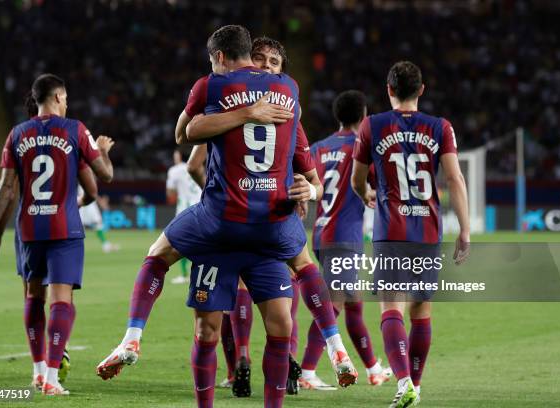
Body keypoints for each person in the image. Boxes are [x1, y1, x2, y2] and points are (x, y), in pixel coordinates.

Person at [184, 36, 357, 395]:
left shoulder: (286, 115)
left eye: (273, 62)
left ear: (281, 73)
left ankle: (268, 363)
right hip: (241, 220)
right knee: (238, 298)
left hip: (269, 219)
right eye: (259, 58)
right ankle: (245, 363)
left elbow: (315, 184)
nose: (264, 65)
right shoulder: (227, 108)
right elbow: (193, 160)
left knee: (276, 306)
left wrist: (307, 191)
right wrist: (220, 193)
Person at [0, 73, 114, 396]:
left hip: (28, 229)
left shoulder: (17, 134)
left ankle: (39, 372)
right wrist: (103, 150)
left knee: (33, 297)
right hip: (63, 228)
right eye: (65, 98)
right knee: (61, 302)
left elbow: (6, 188)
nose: (67, 104)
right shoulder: (75, 130)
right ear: (56, 97)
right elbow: (104, 176)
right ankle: (53, 378)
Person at [351, 61, 470, 407]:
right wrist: (464, 230)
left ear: (388, 89)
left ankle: (404, 384)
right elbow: (455, 179)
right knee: (421, 310)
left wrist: (366, 194)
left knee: (392, 308)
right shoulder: (440, 127)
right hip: (428, 230)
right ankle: (414, 384)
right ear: (421, 89)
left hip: (391, 230)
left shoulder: (371, 126)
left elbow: (357, 178)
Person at [299, 90, 392, 391]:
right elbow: (380, 185)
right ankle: (307, 371)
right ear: (364, 116)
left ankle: (374, 369)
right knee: (334, 306)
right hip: (344, 235)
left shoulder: (319, 147)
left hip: (320, 232)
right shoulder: (363, 147)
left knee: (353, 305)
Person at [166, 149, 202, 284]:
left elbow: (170, 193)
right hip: (203, 207)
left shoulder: (174, 170)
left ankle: (185, 274)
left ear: (179, 156)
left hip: (185, 210)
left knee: (180, 243)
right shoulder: (200, 165)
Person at [78, 186, 119, 253]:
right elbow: (90, 190)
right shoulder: (86, 176)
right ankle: (105, 246)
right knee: (84, 225)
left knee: (92, 224)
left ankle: (106, 245)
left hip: (84, 200)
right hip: (86, 201)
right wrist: (100, 201)